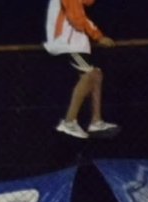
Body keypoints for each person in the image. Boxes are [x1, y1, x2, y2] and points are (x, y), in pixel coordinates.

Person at [44, 0, 119, 139]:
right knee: (90, 74)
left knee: (96, 74)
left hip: (73, 44)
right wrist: (99, 36)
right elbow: (77, 19)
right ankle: (69, 122)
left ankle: (96, 121)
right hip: (66, 43)